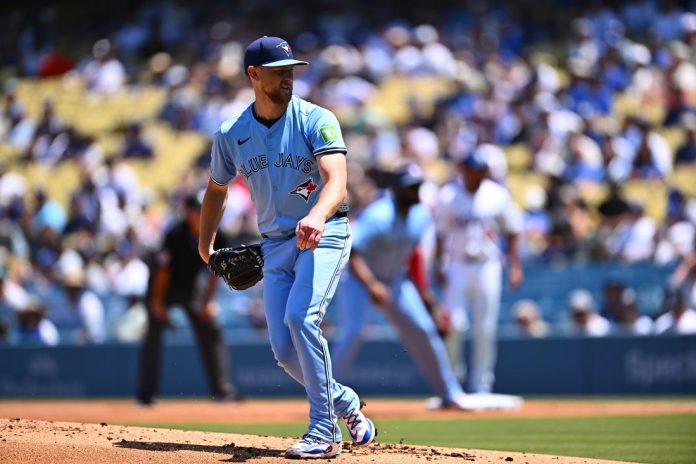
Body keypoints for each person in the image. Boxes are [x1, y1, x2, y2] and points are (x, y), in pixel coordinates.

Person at [198, 36, 375, 459]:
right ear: (253, 75)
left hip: (324, 233)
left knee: (301, 318)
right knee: (283, 349)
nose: (288, 77)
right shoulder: (232, 133)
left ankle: (323, 431)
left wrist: (317, 216)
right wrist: (205, 247)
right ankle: (345, 403)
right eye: (278, 71)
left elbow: (336, 180)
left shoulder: (317, 119)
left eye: (291, 70)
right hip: (274, 245)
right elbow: (216, 190)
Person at [332, 165, 518, 411]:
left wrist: (425, 296)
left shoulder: (420, 215)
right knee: (354, 331)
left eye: (417, 186)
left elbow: (413, 258)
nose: (415, 191)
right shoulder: (379, 215)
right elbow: (353, 253)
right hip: (359, 279)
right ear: (396, 190)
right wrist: (372, 285)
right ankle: (326, 394)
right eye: (410, 187)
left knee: (425, 330)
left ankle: (450, 394)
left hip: (395, 280)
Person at [433, 151, 524, 395]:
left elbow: (513, 230)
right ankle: (451, 383)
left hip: (487, 264)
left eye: (482, 171)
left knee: (485, 327)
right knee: (455, 325)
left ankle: (481, 384)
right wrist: (439, 265)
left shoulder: (497, 194)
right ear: (464, 170)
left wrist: (515, 266)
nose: (478, 175)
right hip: (457, 263)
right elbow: (440, 234)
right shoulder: (449, 195)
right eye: (474, 170)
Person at [136, 194, 239, 406]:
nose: (201, 213)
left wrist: (207, 301)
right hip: (162, 288)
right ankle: (145, 396)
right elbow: (162, 271)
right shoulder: (175, 234)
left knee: (211, 329)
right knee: (153, 336)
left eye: (205, 208)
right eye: (197, 209)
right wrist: (157, 302)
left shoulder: (217, 234)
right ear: (188, 212)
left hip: (190, 287)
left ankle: (223, 391)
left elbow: (216, 272)